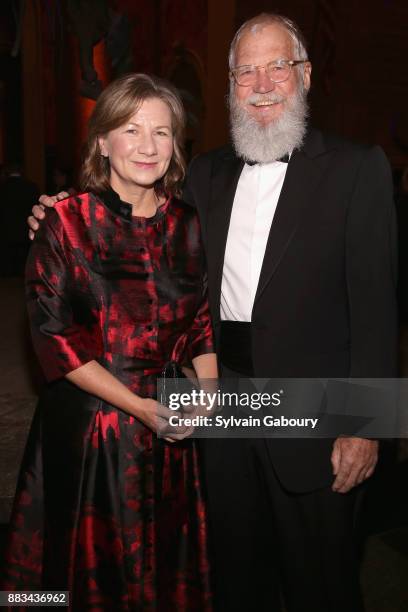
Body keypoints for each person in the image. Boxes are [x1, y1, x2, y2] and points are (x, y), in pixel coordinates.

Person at [28, 12, 398, 612]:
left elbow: (380, 311)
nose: (261, 83)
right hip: (220, 401)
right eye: (245, 71)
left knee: (321, 580)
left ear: (303, 75)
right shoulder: (205, 172)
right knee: (230, 570)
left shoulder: (358, 169)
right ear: (229, 85)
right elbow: (140, 226)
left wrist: (367, 427)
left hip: (313, 411)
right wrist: (55, 211)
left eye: (277, 66)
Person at [5, 73, 217, 611]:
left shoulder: (189, 225)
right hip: (92, 431)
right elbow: (56, 338)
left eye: (162, 132)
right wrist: (142, 409)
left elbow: (201, 322)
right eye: (131, 129)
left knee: (165, 567)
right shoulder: (65, 222)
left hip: (170, 427)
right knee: (79, 572)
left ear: (177, 145)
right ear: (103, 140)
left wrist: (208, 395)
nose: (147, 146)